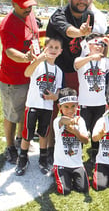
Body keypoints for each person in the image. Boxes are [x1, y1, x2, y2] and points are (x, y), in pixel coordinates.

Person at [45, 0, 94, 164]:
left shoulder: (89, 15)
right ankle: (49, 149)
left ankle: (71, 145)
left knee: (72, 109)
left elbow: (85, 42)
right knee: (51, 111)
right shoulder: (59, 15)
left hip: (74, 70)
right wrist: (80, 31)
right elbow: (69, 31)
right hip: (54, 70)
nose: (82, 1)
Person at [0, 0, 39, 164]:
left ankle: (19, 141)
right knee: (12, 115)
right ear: (14, 4)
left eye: (30, 5)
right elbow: (9, 51)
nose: (28, 9)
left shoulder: (29, 15)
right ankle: (9, 147)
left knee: (25, 113)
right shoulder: (7, 24)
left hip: (30, 76)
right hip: (13, 78)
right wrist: (26, 58)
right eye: (24, 6)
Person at [15, 36, 64, 176]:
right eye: (50, 47)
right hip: (33, 104)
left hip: (47, 107)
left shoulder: (58, 71)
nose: (53, 50)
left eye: (56, 48)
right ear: (44, 49)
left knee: (43, 134)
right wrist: (39, 60)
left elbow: (58, 90)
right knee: (28, 134)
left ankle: (43, 159)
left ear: (60, 51)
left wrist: (54, 97)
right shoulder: (38, 64)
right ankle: (23, 159)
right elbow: (27, 73)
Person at [74, 32, 109, 159]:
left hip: (100, 104)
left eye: (102, 44)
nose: (100, 47)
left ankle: (95, 155)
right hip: (84, 103)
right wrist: (91, 57)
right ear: (88, 45)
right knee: (82, 131)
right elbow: (77, 65)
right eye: (96, 44)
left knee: (97, 131)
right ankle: (76, 156)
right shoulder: (81, 59)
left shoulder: (104, 62)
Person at [53, 88, 90, 194]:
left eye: (73, 106)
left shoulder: (80, 120)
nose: (70, 110)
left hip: (77, 163)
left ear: (77, 105)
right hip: (61, 164)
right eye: (66, 107)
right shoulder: (57, 121)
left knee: (84, 189)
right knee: (65, 191)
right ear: (59, 107)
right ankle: (59, 174)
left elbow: (86, 141)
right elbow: (63, 120)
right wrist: (72, 121)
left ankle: (72, 177)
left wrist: (76, 132)